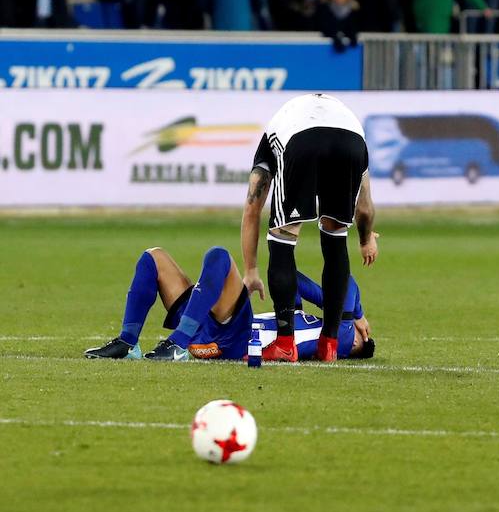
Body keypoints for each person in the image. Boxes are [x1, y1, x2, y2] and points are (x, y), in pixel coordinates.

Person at [241, 92, 378, 363]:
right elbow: (364, 207)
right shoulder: (351, 127)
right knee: (335, 237)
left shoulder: (271, 136)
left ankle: (284, 343)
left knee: (282, 236)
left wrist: (251, 270)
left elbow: (252, 207)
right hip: (351, 142)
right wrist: (365, 241)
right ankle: (329, 344)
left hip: (300, 141)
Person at [83, 246, 375, 361]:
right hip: (208, 321)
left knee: (220, 257)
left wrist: (358, 315)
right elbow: (291, 278)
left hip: (236, 337)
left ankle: (177, 345)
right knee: (154, 257)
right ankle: (128, 343)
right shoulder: (301, 320)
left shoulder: (346, 338)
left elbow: (346, 281)